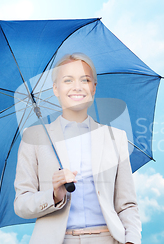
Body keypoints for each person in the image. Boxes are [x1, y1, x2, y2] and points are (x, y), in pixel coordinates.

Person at [14, 53, 141, 244]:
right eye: (67, 80)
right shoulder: (35, 138)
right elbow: (21, 204)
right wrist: (54, 195)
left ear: (93, 87)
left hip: (108, 238)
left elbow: (127, 204)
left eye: (85, 80)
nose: (77, 86)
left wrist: (131, 240)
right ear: (56, 88)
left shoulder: (116, 137)